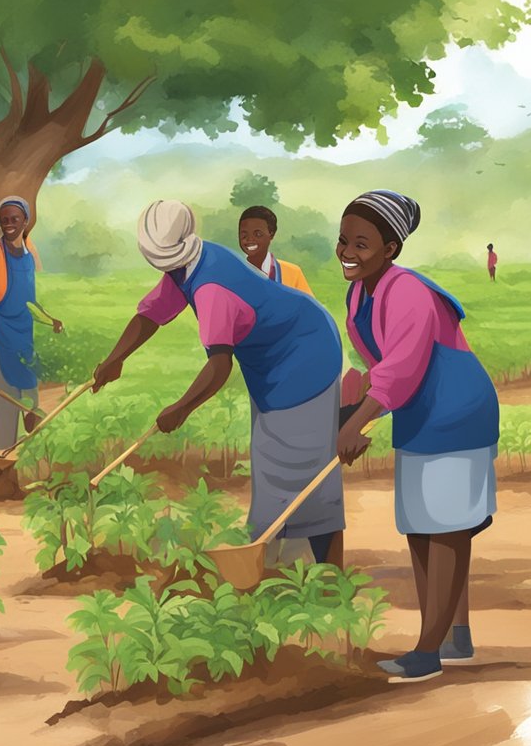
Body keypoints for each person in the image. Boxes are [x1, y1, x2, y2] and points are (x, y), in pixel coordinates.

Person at [92, 200, 346, 567]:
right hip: (271, 361)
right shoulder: (189, 263)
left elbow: (219, 365)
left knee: (304, 461)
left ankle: (325, 572)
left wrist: (180, 409)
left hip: (305, 354)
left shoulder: (212, 288)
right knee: (271, 458)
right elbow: (150, 316)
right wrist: (115, 359)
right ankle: (279, 563)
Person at [336, 190, 498, 684]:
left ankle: (429, 650)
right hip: (418, 413)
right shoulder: (360, 291)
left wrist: (356, 421)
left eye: (361, 244)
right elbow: (379, 367)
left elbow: (402, 368)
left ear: (391, 249)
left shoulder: (406, 290)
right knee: (423, 528)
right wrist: (351, 407)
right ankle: (454, 635)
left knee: (446, 528)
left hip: (455, 411)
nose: (347, 252)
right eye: (343, 240)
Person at [0, 196, 63, 450]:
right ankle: (3, 449)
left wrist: (49, 319)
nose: (8, 224)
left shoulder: (29, 254)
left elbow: (29, 299)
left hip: (24, 332)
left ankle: (31, 451)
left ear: (26, 221)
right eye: (4, 220)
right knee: (2, 395)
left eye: (14, 219)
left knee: (30, 392)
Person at [238, 205, 314, 296]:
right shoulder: (232, 274)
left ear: (271, 234)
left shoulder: (293, 273)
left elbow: (310, 308)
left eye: (258, 234)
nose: (250, 239)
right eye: (244, 234)